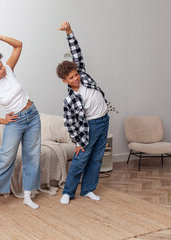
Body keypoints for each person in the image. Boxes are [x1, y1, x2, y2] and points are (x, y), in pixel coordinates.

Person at [0, 35, 41, 216]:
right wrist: (3, 120)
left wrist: (0, 38)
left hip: (33, 116)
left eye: (2, 63)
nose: (3, 67)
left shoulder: (9, 70)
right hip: (15, 123)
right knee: (5, 159)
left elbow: (19, 45)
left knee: (33, 156)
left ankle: (27, 196)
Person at [56, 22, 109, 204]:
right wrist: (78, 141)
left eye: (75, 74)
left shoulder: (84, 75)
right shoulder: (69, 100)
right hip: (91, 126)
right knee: (81, 159)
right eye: (71, 77)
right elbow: (70, 123)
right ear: (65, 81)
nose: (76, 78)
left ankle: (87, 190)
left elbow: (76, 51)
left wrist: (69, 32)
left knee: (96, 159)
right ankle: (68, 192)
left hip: (104, 120)